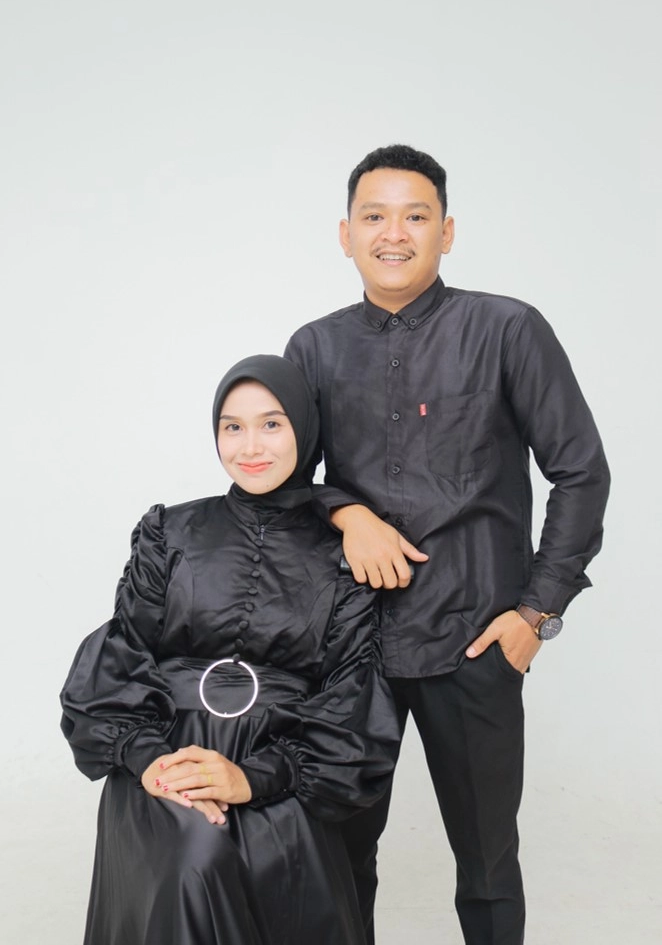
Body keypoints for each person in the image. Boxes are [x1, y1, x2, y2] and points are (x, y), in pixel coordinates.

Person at [284, 144, 610, 945]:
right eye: (374, 216)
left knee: (488, 863)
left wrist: (536, 614)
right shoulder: (314, 349)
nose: (393, 233)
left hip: (473, 640)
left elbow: (581, 471)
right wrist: (347, 514)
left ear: (447, 231)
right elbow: (281, 482)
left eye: (415, 215)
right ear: (345, 234)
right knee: (337, 855)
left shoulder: (507, 329)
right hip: (350, 646)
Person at [60, 354, 399, 945]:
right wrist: (151, 761)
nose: (250, 447)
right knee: (194, 857)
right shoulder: (169, 533)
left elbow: (351, 701)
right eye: (232, 427)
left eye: (272, 424)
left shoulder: (347, 555)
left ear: (305, 430)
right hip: (163, 760)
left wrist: (253, 778)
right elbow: (120, 658)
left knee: (259, 862)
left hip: (280, 769)